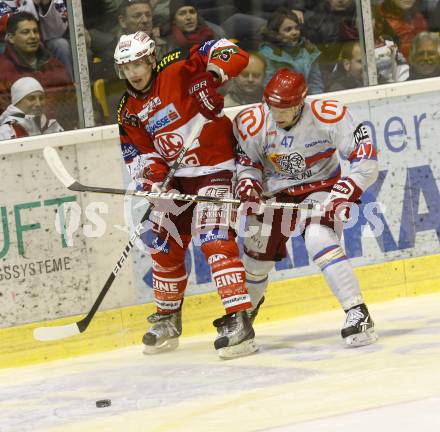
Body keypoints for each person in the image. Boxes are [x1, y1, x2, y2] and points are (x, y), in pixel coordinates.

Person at [114, 31, 256, 359]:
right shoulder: (126, 109)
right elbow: (138, 154)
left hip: (216, 168)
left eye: (137, 63)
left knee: (214, 239)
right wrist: (153, 178)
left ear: (150, 58)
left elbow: (231, 50)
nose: (133, 72)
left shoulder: (178, 66)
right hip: (176, 182)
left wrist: (211, 76)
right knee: (163, 244)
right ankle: (168, 319)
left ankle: (239, 322)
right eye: (126, 67)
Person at [233, 68, 379, 347]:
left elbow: (365, 157)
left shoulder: (329, 115)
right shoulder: (253, 122)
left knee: (318, 237)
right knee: (255, 262)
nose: (276, 114)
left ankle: (357, 312)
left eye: (284, 108)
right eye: (272, 106)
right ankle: (243, 317)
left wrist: (343, 192)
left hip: (319, 188)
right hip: (274, 194)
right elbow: (247, 163)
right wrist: (248, 186)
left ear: (301, 102)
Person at [0, 12, 75, 129]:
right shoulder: (2, 71)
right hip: (21, 139)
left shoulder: (53, 64)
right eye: (25, 32)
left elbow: (72, 100)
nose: (33, 36)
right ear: (11, 38)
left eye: (35, 31)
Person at [259, 7, 324, 93]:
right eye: (288, 29)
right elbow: (269, 88)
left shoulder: (310, 50)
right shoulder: (267, 54)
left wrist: (314, 101)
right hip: (280, 102)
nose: (295, 32)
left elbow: (316, 84)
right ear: (275, 33)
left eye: (297, 28)